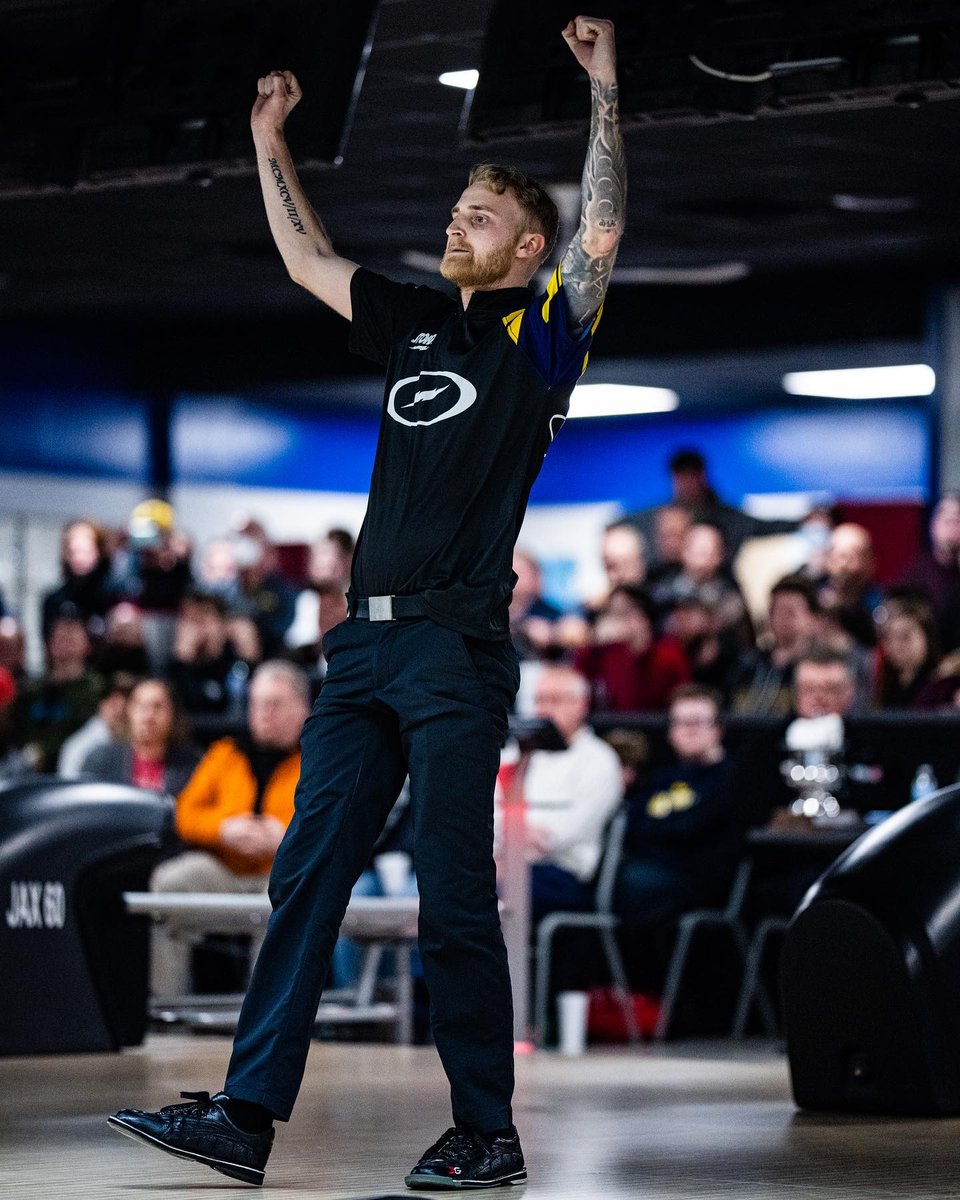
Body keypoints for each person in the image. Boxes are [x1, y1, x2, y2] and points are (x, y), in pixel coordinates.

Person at [109, 16, 626, 1191]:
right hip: (361, 655)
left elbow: (600, 230)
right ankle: (246, 1114)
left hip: (453, 649)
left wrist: (603, 93)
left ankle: (487, 1131)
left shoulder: (544, 340)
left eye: (478, 218)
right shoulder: (416, 322)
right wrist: (266, 142)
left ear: (526, 246)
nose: (455, 225)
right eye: (454, 211)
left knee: (451, 895)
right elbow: (305, 259)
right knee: (307, 874)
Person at [146, 661, 309, 999]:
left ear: (302, 709)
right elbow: (184, 814)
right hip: (225, 867)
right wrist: (223, 829)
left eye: (275, 704)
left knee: (289, 893)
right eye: (257, 703)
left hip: (279, 872)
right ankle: (165, 1008)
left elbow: (331, 821)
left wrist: (287, 837)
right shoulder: (225, 753)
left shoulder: (316, 761)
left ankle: (268, 1017)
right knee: (170, 882)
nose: (264, 712)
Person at [501, 664, 622, 925]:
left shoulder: (599, 760)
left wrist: (508, 839)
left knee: (480, 892)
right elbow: (483, 816)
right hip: (501, 863)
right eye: (539, 700)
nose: (544, 709)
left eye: (554, 700)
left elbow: (562, 834)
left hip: (562, 874)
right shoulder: (517, 754)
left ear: (581, 705)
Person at [615, 684, 739, 928]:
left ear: (718, 729)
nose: (689, 731)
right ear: (670, 731)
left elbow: (695, 831)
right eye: (681, 723)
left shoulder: (732, 779)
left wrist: (657, 830)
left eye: (697, 722)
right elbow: (632, 824)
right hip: (647, 875)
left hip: (697, 885)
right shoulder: (659, 777)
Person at [6, 615, 103, 771]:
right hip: (25, 769)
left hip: (74, 769)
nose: (66, 641)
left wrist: (44, 751)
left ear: (87, 645)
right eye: (60, 637)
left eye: (72, 636)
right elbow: (15, 732)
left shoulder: (98, 689)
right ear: (49, 644)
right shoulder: (31, 689)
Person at [575, 585, 690, 713]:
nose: (614, 621)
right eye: (610, 613)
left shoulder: (668, 653)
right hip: (609, 727)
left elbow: (683, 697)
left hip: (657, 727)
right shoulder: (602, 652)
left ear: (644, 617)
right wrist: (594, 643)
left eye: (623, 613)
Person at [80, 677, 202, 795]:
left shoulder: (194, 766)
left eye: (157, 707)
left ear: (172, 714)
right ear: (129, 711)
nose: (148, 716)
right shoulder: (101, 760)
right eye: (141, 706)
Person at [731, 575, 819, 715]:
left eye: (791, 612)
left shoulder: (824, 667)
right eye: (777, 611)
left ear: (813, 618)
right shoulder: (748, 663)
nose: (783, 619)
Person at [899, 493, 960, 652]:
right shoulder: (915, 575)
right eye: (946, 519)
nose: (952, 525)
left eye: (958, 519)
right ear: (933, 525)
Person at [41, 519, 115, 641]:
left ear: (98, 551)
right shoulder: (54, 601)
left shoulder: (113, 596)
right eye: (74, 552)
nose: (79, 558)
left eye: (85, 551)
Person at [57, 670, 136, 778]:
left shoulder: (141, 741)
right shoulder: (79, 747)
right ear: (102, 704)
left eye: (125, 709)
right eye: (113, 704)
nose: (119, 710)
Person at [874, 596, 941, 709]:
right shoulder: (882, 685)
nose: (896, 646)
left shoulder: (943, 685)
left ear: (927, 636)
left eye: (905, 636)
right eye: (888, 638)